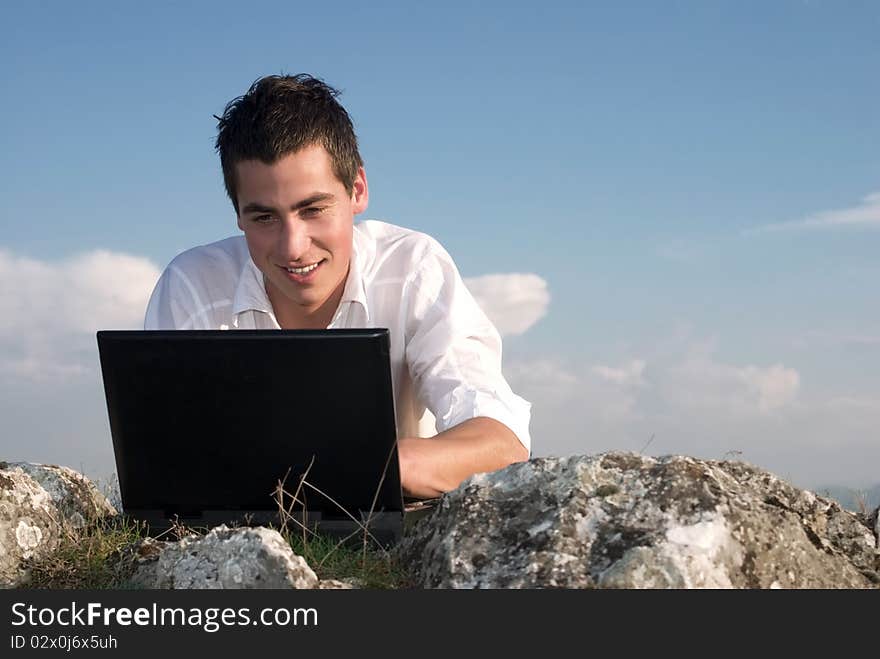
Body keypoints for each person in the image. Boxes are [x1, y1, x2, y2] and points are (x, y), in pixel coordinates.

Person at [144, 74, 531, 499]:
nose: (293, 247)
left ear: (357, 190)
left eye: (312, 209)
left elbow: (501, 444)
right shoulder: (192, 284)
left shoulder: (412, 268)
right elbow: (163, 463)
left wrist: (363, 465)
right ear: (238, 215)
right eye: (264, 218)